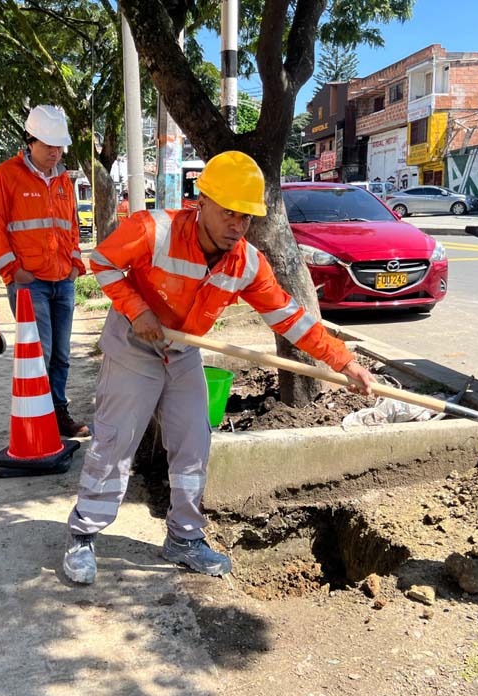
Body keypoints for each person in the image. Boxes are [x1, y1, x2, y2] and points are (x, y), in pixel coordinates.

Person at [62, 151, 375, 584]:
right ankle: (83, 533)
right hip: (135, 344)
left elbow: (290, 318)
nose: (237, 226)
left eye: (246, 217)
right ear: (202, 200)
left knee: (193, 443)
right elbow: (103, 262)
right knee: (115, 441)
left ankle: (185, 539)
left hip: (182, 351)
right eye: (229, 213)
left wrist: (346, 363)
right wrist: (137, 311)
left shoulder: (246, 262)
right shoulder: (155, 230)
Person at [0, 104, 89, 437]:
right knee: (39, 353)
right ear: (30, 140)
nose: (55, 153)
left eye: (60, 147)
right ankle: (38, 420)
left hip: (63, 281)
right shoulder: (6, 175)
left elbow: (70, 227)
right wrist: (13, 271)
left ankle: (58, 413)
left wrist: (75, 264)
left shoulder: (63, 180)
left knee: (61, 354)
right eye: (48, 146)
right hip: (31, 284)